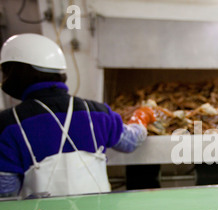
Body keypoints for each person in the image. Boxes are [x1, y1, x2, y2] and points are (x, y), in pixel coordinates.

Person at [0, 33, 156, 198]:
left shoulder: (8, 124)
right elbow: (131, 141)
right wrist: (142, 116)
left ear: (15, 74)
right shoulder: (96, 112)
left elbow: (6, 196)